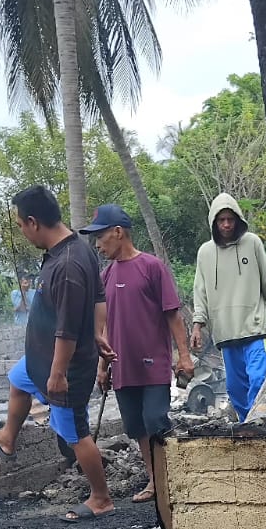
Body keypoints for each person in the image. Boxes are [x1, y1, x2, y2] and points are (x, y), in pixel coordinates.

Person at [0, 185, 116, 521]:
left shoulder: (67, 264)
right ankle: (7, 437)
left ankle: (101, 497)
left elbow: (66, 330)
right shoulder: (72, 250)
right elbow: (99, 298)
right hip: (40, 358)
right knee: (17, 379)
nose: (22, 233)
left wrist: (57, 374)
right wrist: (98, 333)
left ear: (33, 221)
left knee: (75, 434)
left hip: (65, 366)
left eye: (21, 226)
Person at [80, 205, 195, 503]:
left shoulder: (152, 267)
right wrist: (102, 367)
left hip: (153, 362)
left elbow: (173, 314)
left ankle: (174, 476)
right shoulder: (105, 276)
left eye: (101, 237)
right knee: (136, 426)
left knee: (156, 419)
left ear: (118, 232)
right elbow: (103, 326)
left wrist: (183, 355)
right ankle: (156, 481)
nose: (98, 244)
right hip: (122, 365)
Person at [191, 193, 266, 422]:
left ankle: (259, 424)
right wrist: (197, 325)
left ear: (238, 220)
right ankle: (249, 425)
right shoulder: (205, 252)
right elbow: (200, 291)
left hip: (254, 327)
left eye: (230, 219)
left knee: (258, 380)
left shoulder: (252, 243)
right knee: (235, 389)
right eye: (221, 220)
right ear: (214, 222)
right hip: (226, 332)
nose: (226, 224)